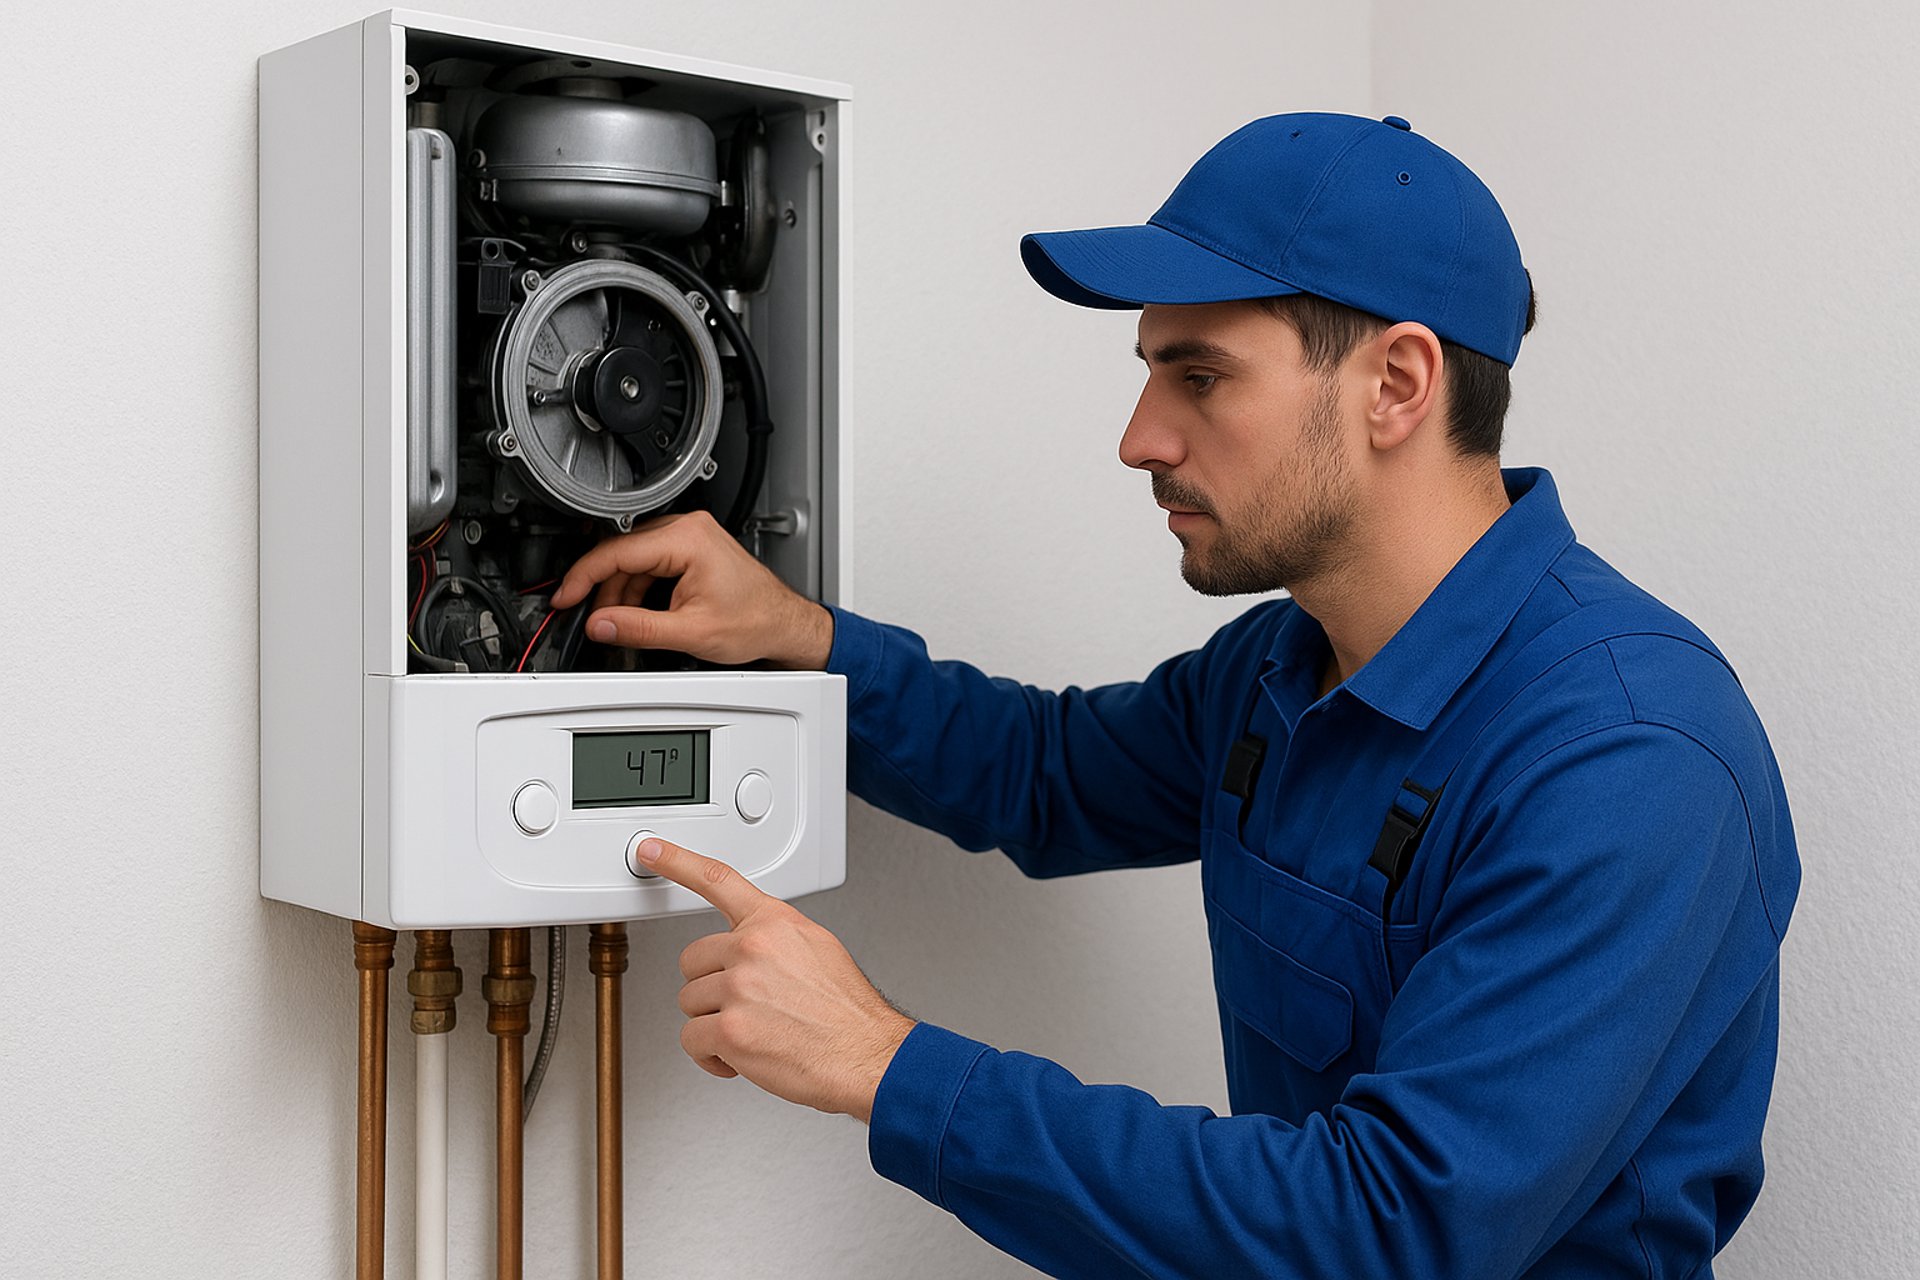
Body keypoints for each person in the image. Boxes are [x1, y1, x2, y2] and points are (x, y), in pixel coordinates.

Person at [551, 112, 1800, 1277]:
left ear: (1397, 384)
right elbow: (1046, 773)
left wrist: (886, 1064)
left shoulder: (1627, 760)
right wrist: (800, 635)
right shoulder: (1280, 664)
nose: (1139, 437)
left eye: (1199, 376)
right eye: (1151, 372)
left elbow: (1390, 1231)